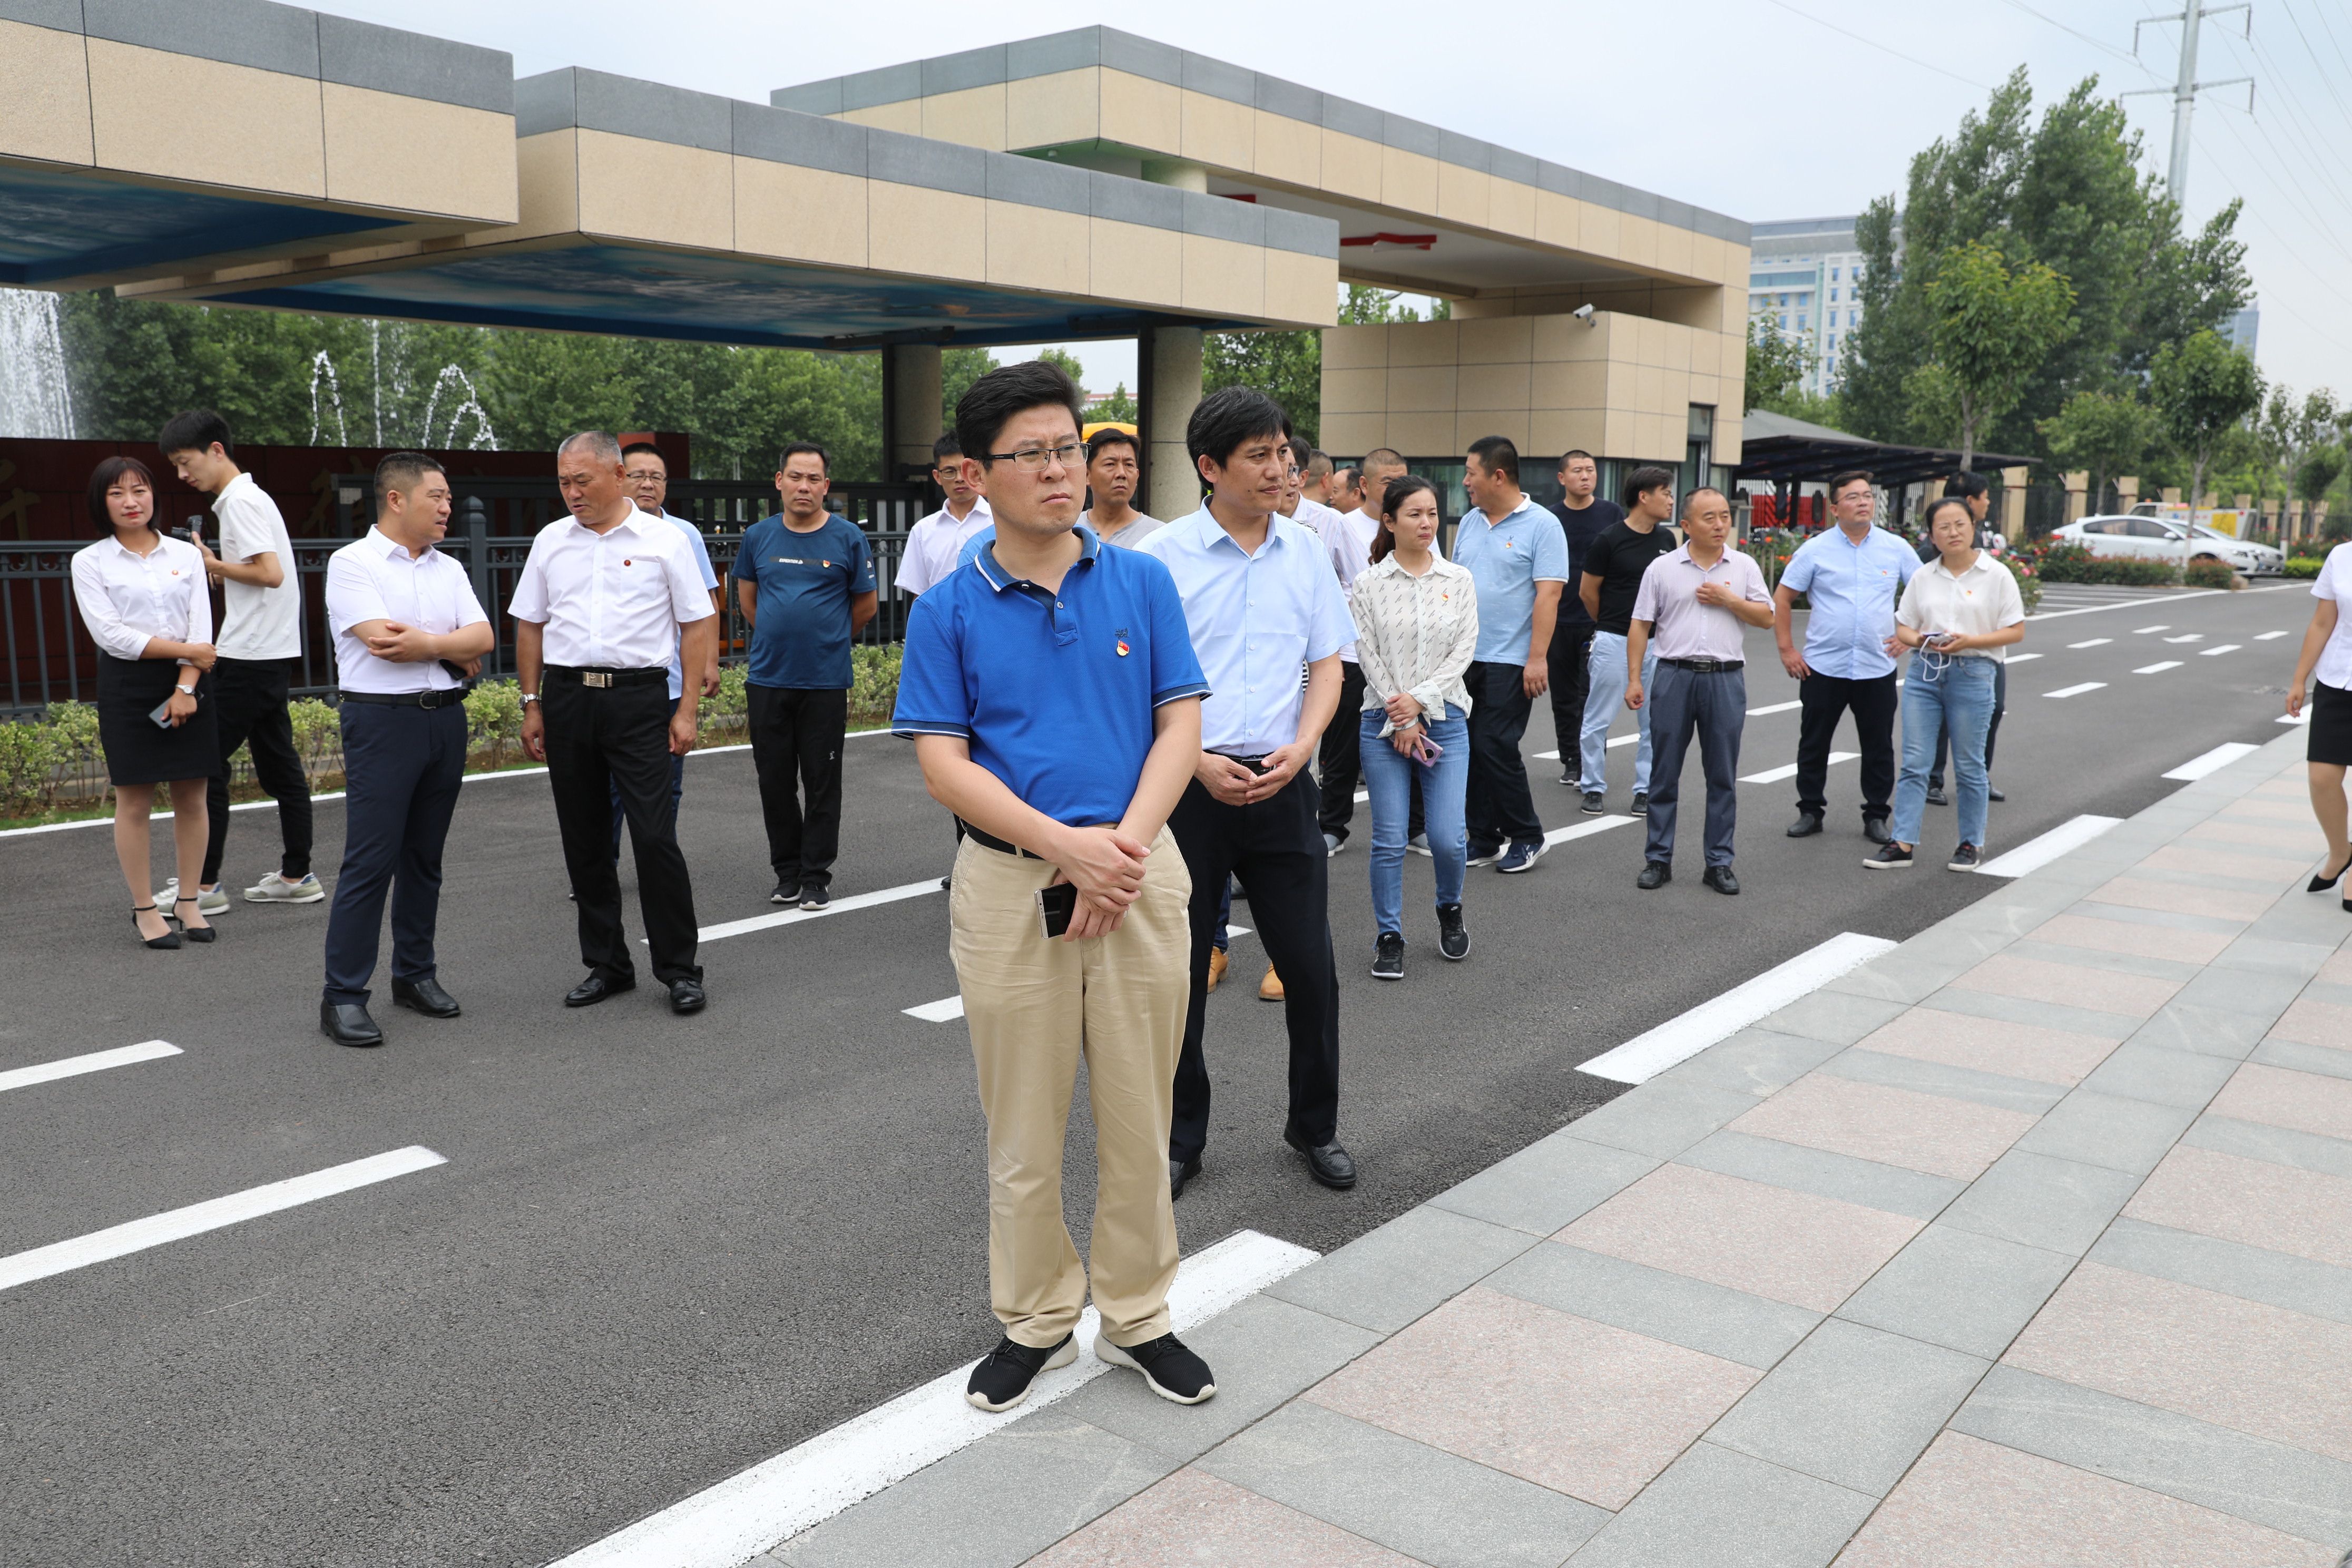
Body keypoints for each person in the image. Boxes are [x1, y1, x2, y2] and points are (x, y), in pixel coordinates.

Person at [891, 359, 1216, 1414]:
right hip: (1009, 887)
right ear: (977, 477)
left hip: (1139, 871)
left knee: (1140, 1112)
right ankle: (1034, 1319)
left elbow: (1181, 723)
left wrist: (1117, 851)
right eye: (1029, 454)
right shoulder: (947, 611)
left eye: (1067, 449)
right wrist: (1065, 851)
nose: (1057, 470)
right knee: (1022, 1126)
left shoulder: (1144, 579)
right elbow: (946, 762)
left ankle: (1138, 1318)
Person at [1140, 387, 1356, 1198]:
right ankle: (1180, 1139)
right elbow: (1142, 684)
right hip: (1187, 790)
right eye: (1260, 455)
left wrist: (1302, 748)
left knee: (1311, 968)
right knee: (1181, 973)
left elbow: (1329, 661)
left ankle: (1315, 1127)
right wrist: (1193, 761)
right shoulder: (1162, 559)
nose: (1281, 468)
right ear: (1209, 467)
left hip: (1282, 783)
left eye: (1284, 452)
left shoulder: (1306, 551)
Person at [513, 431, 717, 1015]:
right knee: (585, 838)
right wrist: (533, 702)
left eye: (583, 481)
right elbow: (531, 624)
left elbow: (696, 624)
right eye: (564, 483)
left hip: (639, 700)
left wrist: (686, 711)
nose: (572, 493)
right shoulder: (552, 541)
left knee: (654, 836)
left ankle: (680, 968)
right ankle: (607, 964)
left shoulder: (664, 540)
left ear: (619, 476)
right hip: (569, 699)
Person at [317, 454, 496, 1046]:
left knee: (425, 860)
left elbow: (485, 639)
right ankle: (343, 995)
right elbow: (381, 641)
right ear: (397, 499)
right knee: (370, 862)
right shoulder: (353, 564)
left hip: (444, 722)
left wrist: (432, 644)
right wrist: (447, 647)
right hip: (382, 723)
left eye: (449, 499)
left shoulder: (447, 569)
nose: (448, 508)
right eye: (437, 497)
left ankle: (414, 974)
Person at [159, 410, 317, 914]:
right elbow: (264, 573)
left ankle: (204, 887)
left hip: (248, 656)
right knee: (281, 769)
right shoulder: (251, 499)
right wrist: (221, 569)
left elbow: (269, 573)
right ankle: (297, 875)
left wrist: (211, 565)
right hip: (268, 655)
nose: (184, 475)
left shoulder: (240, 501)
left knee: (205, 766)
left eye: (186, 463)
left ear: (217, 451)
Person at [71, 456, 221, 950]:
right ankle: (144, 908)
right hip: (129, 682)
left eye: (139, 490)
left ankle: (189, 902)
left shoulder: (186, 554)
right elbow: (112, 636)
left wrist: (186, 687)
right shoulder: (91, 561)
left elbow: (201, 627)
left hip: (189, 679)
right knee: (134, 800)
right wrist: (189, 655)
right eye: (117, 494)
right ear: (102, 503)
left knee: (192, 795)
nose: (131, 502)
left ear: (154, 495)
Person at [732, 443, 877, 912]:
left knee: (821, 781)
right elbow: (748, 602)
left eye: (814, 479)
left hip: (825, 682)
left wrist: (828, 639)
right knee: (774, 781)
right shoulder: (758, 537)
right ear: (779, 481)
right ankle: (788, 873)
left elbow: (865, 606)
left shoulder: (848, 537)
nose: (804, 486)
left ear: (826, 487)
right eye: (795, 477)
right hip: (768, 680)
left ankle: (816, 876)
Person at [1350, 475, 1475, 979]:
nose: (1426, 524)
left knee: (1448, 838)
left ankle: (1449, 907)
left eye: (1431, 514)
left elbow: (1463, 651)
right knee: (1388, 839)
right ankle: (1389, 935)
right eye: (1413, 515)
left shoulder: (1458, 580)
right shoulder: (1368, 584)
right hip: (1381, 723)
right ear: (1389, 521)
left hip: (1445, 721)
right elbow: (1366, 652)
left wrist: (1417, 707)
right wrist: (1400, 713)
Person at [1625, 487, 1773, 893]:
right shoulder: (1663, 569)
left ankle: (1719, 863)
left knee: (1722, 775)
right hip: (1674, 675)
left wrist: (1729, 600)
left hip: (1725, 679)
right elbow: (1641, 624)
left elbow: (1766, 618)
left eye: (1725, 516)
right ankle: (1658, 859)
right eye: (1709, 517)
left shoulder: (1743, 567)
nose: (1720, 524)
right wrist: (1636, 677)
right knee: (1664, 773)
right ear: (1686, 525)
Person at [1870, 496, 2028, 872]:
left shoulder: (1997, 575)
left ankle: (1970, 844)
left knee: (1970, 765)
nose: (1953, 532)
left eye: (1960, 523)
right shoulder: (1924, 576)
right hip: (1925, 671)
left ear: (1974, 527)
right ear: (1933, 536)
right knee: (1915, 763)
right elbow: (1903, 625)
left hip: (1974, 674)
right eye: (1943, 527)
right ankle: (1903, 843)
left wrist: (1970, 640)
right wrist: (1921, 638)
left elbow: (2015, 631)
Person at [1776, 470, 1918, 844]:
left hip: (1876, 666)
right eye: (1853, 497)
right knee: (1814, 742)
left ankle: (1875, 816)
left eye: (1868, 496)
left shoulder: (1895, 547)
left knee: (1878, 746)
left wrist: (1908, 635)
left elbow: (1925, 594)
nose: (1863, 502)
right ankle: (1810, 811)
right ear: (1835, 508)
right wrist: (1787, 649)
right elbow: (1783, 599)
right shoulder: (1815, 549)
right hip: (1823, 666)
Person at [1455, 436, 1568, 872]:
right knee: (1470, 747)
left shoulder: (1542, 525)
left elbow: (1549, 595)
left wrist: (1537, 658)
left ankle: (1527, 835)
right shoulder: (1470, 523)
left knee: (1494, 743)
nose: (1466, 481)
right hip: (1466, 658)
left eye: (1471, 473)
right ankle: (1483, 838)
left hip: (1512, 658)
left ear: (1497, 476)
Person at [608, 442, 722, 859]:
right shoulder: (599, 531)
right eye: (638, 475)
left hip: (670, 679)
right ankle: (605, 859)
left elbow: (708, 602)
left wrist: (710, 661)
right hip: (614, 684)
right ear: (618, 477)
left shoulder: (683, 534)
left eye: (656, 477)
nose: (647, 484)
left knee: (666, 778)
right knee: (609, 783)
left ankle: (657, 856)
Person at [1312, 446, 1407, 861]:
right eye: (1389, 481)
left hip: (1403, 656)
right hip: (1351, 654)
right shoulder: (1342, 526)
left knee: (1411, 735)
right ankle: (1333, 826)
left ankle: (1416, 827)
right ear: (1365, 485)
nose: (1398, 489)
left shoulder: (1415, 523)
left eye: (1402, 479)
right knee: (1343, 747)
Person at [1575, 467, 1680, 815]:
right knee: (1598, 718)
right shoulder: (1609, 539)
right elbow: (1588, 592)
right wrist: (1609, 624)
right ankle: (1592, 786)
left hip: (1658, 644)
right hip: (1613, 640)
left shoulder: (1667, 540)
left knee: (1654, 722)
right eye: (1665, 492)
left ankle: (1644, 790)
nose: (1671, 499)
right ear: (1643, 497)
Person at [1919, 472, 2007, 806]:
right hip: (1944, 654)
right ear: (1969, 501)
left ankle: (1978, 777)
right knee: (1941, 714)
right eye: (1984, 496)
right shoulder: (1933, 553)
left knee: (1994, 709)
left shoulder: (1981, 547)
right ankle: (1932, 779)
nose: (1988, 502)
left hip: (1984, 651)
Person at [1546, 450, 1624, 787]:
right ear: (1562, 478)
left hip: (1597, 620)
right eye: (1577, 471)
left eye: (1590, 470)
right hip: (1557, 618)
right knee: (1563, 696)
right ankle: (1570, 759)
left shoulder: (1612, 513)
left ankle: (1588, 764)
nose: (1585, 476)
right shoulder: (1549, 517)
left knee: (1590, 697)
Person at [2289, 533, 2352, 906]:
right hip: (2337, 678)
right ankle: (2341, 851)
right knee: (2322, 777)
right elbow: (2322, 622)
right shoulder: (2342, 556)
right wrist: (2300, 678)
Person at [894, 433, 992, 596]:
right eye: (949, 471)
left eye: (964, 470)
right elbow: (920, 595)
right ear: (937, 476)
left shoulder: (1000, 522)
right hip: (939, 621)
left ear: (977, 471)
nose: (959, 478)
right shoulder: (922, 531)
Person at [1077, 427, 1163, 548]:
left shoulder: (1159, 536)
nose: (1121, 474)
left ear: (1137, 475)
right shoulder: (1070, 531)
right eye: (1110, 464)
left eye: (1129, 465)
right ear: (1087, 475)